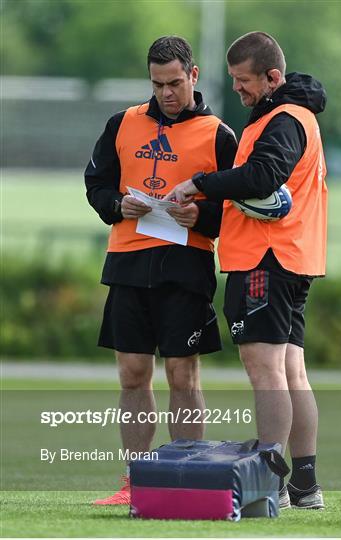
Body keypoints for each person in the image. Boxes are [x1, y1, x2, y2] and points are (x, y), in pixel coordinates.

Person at [166, 31, 327, 510]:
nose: (237, 89)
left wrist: (200, 183)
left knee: (266, 371)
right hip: (292, 258)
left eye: (244, 81)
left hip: (266, 259)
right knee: (292, 372)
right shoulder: (293, 115)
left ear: (273, 78)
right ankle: (304, 483)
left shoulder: (283, 119)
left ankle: (269, 482)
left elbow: (261, 177)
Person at [85, 35, 237, 505]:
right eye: (157, 84)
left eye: (174, 82)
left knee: (182, 375)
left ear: (192, 75)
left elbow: (237, 206)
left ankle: (185, 477)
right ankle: (135, 481)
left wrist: (203, 217)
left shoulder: (219, 134)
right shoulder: (122, 123)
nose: (166, 93)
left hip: (185, 267)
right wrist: (117, 203)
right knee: (132, 374)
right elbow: (96, 184)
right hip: (128, 262)